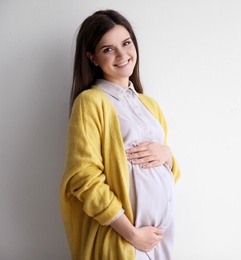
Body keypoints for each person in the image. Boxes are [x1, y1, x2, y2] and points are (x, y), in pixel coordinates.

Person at [59, 9, 180, 260]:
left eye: (126, 43)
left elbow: (169, 173)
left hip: (158, 240)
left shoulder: (150, 105)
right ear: (92, 57)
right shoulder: (90, 102)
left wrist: (167, 154)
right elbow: (84, 178)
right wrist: (132, 233)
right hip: (122, 239)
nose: (122, 54)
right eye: (108, 49)